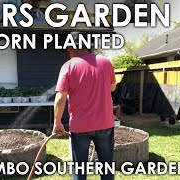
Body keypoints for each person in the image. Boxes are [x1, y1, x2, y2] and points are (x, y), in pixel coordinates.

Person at [52, 32, 117, 180]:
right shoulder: (106, 62)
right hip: (105, 124)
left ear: (71, 49)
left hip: (80, 127)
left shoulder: (68, 66)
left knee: (80, 170)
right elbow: (112, 88)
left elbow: (60, 97)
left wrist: (57, 123)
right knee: (107, 168)